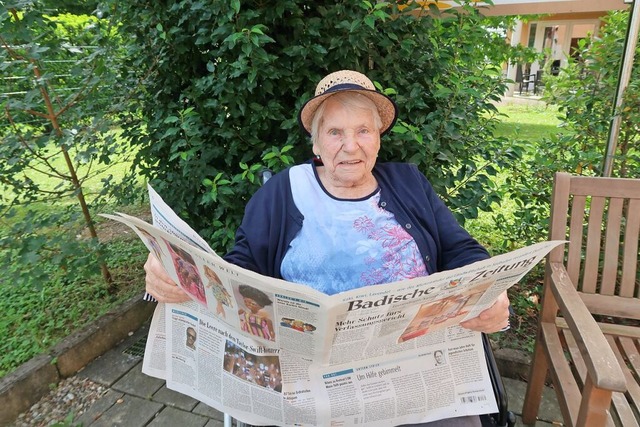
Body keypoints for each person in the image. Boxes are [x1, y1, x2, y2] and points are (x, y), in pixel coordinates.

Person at [144, 69, 511, 427]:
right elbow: (240, 268)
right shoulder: (281, 193)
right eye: (335, 132)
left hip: (417, 369)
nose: (350, 146)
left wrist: (491, 293)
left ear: (378, 137)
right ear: (316, 143)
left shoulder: (409, 182)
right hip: (308, 379)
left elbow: (461, 249)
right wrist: (176, 274)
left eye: (362, 131)